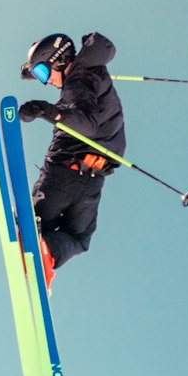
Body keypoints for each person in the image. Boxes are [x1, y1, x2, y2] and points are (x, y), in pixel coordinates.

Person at [18, 31, 126, 283]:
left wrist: (45, 110)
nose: (47, 82)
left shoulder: (77, 80)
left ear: (59, 61)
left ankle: (33, 240)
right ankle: (48, 254)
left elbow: (86, 124)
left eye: (44, 74)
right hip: (91, 181)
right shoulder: (94, 76)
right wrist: (31, 69)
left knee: (33, 224)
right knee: (78, 238)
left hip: (64, 173)